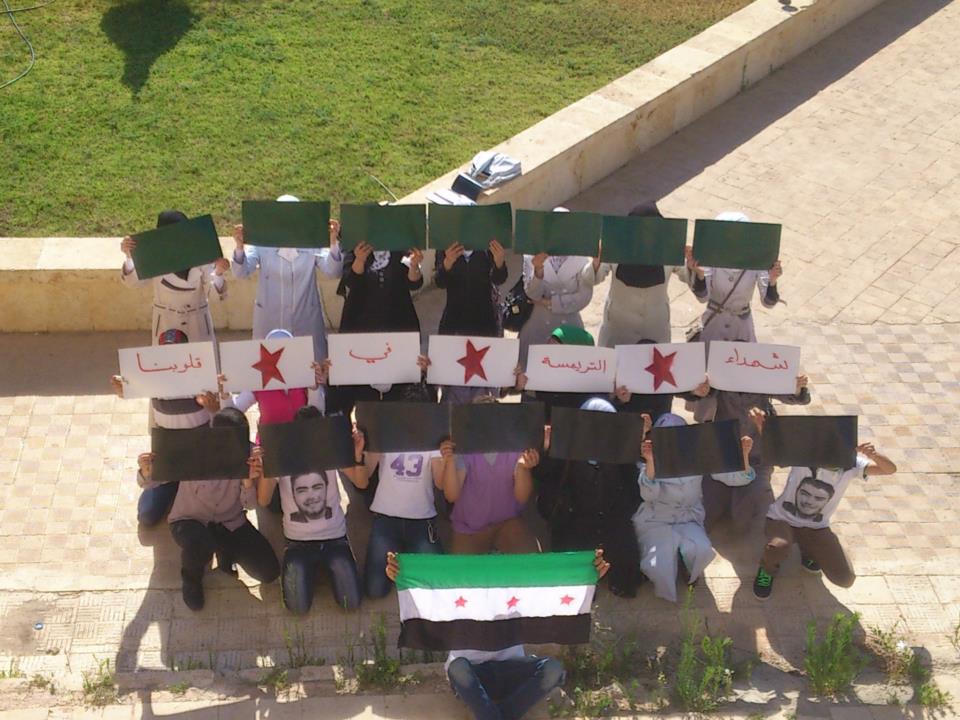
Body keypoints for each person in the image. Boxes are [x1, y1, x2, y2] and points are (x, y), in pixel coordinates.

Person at [385, 550, 611, 720]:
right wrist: (402, 576)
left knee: (553, 668)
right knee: (458, 668)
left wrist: (587, 576)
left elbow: (558, 596)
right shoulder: (462, 601)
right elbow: (427, 592)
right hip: (471, 675)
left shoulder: (520, 599)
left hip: (511, 671)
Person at [136, 408, 281, 610]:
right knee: (200, 545)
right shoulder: (192, 450)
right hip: (189, 520)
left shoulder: (249, 457)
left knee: (269, 572)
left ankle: (224, 551)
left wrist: (247, 481)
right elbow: (150, 484)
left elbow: (250, 505)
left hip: (230, 521)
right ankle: (192, 580)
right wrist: (145, 472)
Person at [749, 409, 897, 600]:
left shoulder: (852, 465)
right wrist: (761, 425)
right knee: (778, 547)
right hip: (781, 519)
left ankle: (809, 551)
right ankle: (766, 571)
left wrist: (874, 455)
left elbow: (889, 470)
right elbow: (777, 450)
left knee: (845, 578)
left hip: (816, 526)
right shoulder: (805, 455)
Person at [256, 405, 368, 613]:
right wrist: (266, 467)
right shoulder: (283, 457)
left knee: (351, 603)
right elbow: (263, 500)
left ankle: (325, 569)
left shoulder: (330, 452)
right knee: (297, 608)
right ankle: (316, 570)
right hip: (298, 543)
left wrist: (357, 455)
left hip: (334, 538)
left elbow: (361, 483)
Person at [633, 414, 754, 602]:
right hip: (657, 519)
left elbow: (736, 478)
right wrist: (651, 463)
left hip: (689, 517)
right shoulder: (650, 459)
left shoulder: (700, 457)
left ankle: (687, 568)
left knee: (702, 549)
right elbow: (648, 495)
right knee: (657, 565)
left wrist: (743, 456)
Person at [111, 328, 220, 526]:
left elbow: (227, 424)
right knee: (146, 516)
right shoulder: (152, 381)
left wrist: (215, 409)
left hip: (201, 465)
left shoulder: (206, 382)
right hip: (169, 465)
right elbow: (127, 386)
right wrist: (122, 388)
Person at [535, 398, 642, 597]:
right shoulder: (565, 448)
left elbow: (632, 490)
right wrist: (547, 450)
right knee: (573, 583)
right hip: (573, 521)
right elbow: (544, 478)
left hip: (610, 520)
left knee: (626, 574)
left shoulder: (620, 450)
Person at [354, 384, 444, 599]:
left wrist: (446, 458)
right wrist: (358, 454)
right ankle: (402, 561)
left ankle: (405, 561)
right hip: (387, 519)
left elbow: (441, 484)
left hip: (421, 519)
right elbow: (362, 480)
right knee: (375, 591)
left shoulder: (434, 439)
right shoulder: (384, 436)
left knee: (436, 584)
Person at [231, 194, 343, 362]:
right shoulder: (262, 243)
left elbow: (333, 271)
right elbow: (241, 272)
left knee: (309, 370)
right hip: (270, 319)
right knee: (271, 372)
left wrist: (333, 242)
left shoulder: (311, 242)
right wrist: (240, 246)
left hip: (305, 318)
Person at [698, 375, 811, 535]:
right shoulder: (721, 373)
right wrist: (701, 388)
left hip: (757, 460)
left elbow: (796, 398)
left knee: (751, 517)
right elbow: (699, 395)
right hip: (723, 457)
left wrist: (797, 388)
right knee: (709, 514)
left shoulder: (762, 373)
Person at [580, 202, 697, 347]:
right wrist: (596, 261)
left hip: (655, 332)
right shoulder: (616, 247)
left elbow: (692, 282)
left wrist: (693, 267)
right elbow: (589, 280)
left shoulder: (667, 249)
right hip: (618, 331)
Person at [331, 239, 424, 415]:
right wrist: (360, 259)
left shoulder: (399, 247)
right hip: (361, 332)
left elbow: (414, 283)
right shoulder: (356, 247)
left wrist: (414, 266)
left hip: (397, 329)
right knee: (365, 396)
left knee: (398, 392)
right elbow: (351, 281)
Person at [440, 397, 540, 554]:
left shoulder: (514, 448)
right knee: (463, 576)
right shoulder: (464, 448)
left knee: (530, 558)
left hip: (506, 523)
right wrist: (450, 460)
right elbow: (451, 495)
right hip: (469, 528)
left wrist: (522, 468)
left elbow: (522, 496)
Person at [120, 210, 228, 345]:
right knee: (166, 363)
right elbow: (133, 283)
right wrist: (130, 257)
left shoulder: (202, 253)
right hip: (166, 321)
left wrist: (218, 273)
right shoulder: (153, 254)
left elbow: (214, 296)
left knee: (202, 363)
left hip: (197, 322)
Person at [689, 211, 783, 344]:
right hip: (714, 327)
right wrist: (699, 274)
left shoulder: (757, 260)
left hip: (742, 329)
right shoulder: (711, 257)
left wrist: (772, 281)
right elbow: (703, 298)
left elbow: (768, 303)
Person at [517, 209, 593, 364]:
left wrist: (550, 303)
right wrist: (538, 270)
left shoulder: (582, 258)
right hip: (537, 327)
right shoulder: (531, 254)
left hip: (569, 330)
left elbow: (583, 297)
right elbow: (531, 293)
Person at [434, 239, 509, 337]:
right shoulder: (446, 242)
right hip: (453, 321)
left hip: (485, 321)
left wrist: (499, 263)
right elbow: (440, 282)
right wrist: (448, 263)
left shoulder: (487, 242)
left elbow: (498, 279)